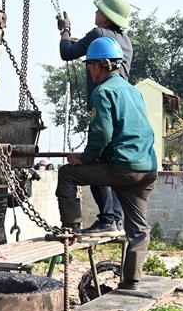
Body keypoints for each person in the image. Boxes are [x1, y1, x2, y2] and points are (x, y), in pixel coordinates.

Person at [56, 37, 158, 288]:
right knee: (138, 229)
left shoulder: (103, 92)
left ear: (97, 66)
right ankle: (131, 281)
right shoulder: (132, 91)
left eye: (89, 66)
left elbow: (102, 134)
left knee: (67, 174)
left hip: (122, 168)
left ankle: (71, 229)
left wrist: (83, 158)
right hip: (147, 169)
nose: (90, 72)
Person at [58, 0, 134, 233]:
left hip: (103, 106)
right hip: (123, 110)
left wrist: (65, 31)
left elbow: (67, 52)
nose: (95, 14)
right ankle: (116, 220)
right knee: (111, 162)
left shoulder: (98, 34)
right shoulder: (126, 41)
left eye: (98, 11)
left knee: (95, 160)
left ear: (106, 16)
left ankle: (107, 219)